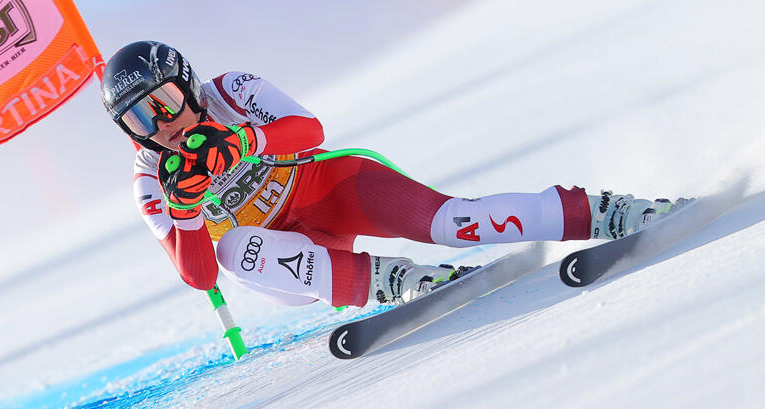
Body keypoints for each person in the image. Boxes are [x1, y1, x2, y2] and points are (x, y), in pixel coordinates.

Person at [101, 41, 674, 308]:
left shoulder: (232, 91)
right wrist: (185, 210)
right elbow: (200, 279)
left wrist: (247, 140)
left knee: (455, 222)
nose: (163, 123)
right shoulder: (150, 178)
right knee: (233, 251)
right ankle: (392, 282)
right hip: (290, 261)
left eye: (168, 100)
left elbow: (311, 131)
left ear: (191, 85)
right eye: (140, 118)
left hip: (330, 190)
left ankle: (607, 211)